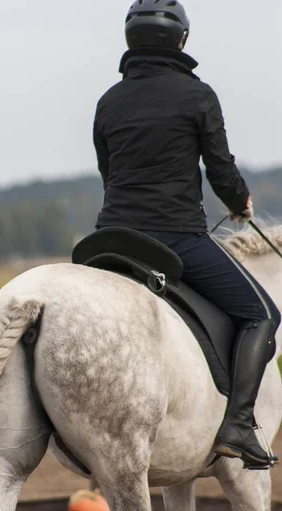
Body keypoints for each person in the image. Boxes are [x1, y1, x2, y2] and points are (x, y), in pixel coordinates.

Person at [93, 0, 281, 467]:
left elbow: (108, 172)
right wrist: (239, 204)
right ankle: (238, 424)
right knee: (262, 315)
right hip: (174, 236)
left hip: (110, 238)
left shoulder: (108, 101)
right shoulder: (197, 95)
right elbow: (220, 167)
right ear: (181, 41)